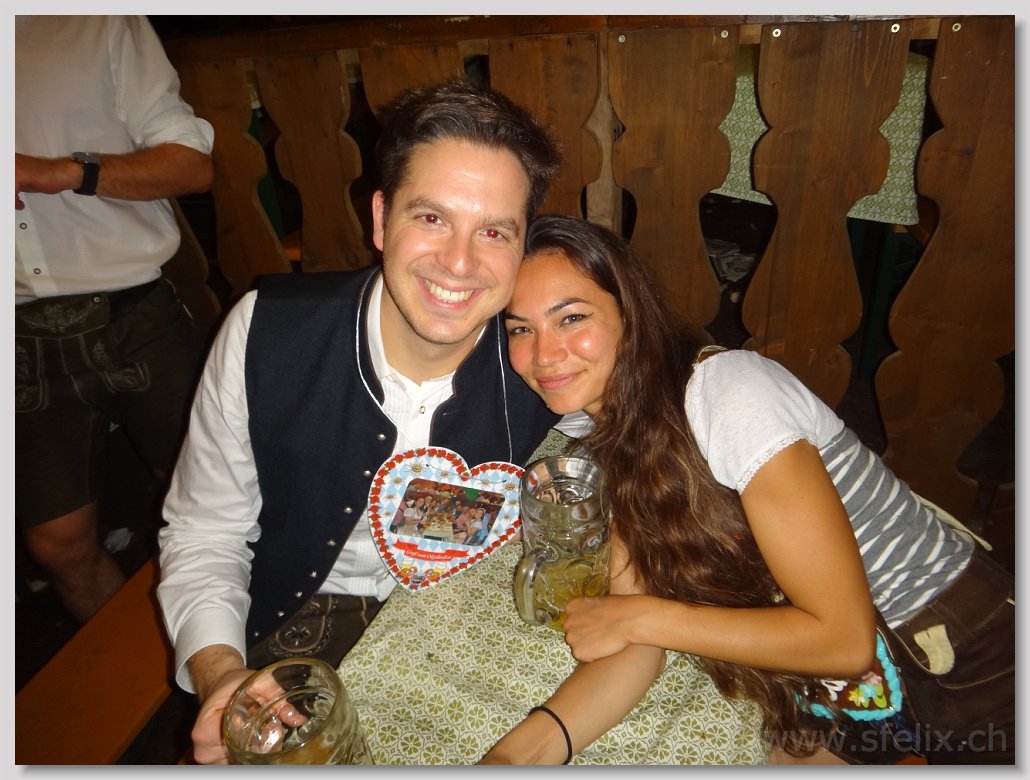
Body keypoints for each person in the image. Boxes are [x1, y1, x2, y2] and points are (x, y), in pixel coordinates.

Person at [482, 215, 1014, 765]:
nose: (544, 354)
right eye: (520, 328)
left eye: (571, 317)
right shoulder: (590, 439)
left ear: (630, 314)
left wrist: (639, 616)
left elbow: (842, 641)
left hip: (963, 656)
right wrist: (515, 757)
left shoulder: (730, 393)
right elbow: (635, 637)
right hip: (838, 699)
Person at [156, 78, 563, 763]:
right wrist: (221, 672)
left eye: (494, 231)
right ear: (380, 219)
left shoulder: (544, 359)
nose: (459, 262)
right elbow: (205, 532)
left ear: (523, 248)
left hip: (467, 625)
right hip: (295, 628)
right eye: (430, 217)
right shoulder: (266, 333)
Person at [15, 15, 214, 623]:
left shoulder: (94, 17)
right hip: (17, 339)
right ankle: (146, 672)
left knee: (212, 498)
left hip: (135, 314)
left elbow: (193, 166)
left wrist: (61, 171)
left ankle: (252, 648)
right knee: (58, 545)